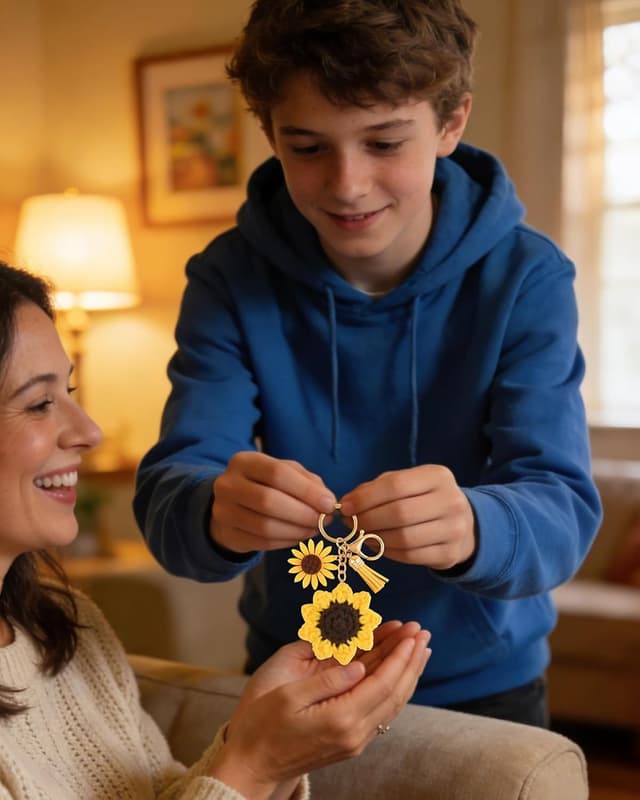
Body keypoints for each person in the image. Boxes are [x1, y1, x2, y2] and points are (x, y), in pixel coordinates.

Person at [133, 0, 602, 728]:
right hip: (295, 673)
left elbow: (562, 511)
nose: (347, 184)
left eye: (384, 142)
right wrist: (214, 512)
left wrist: (475, 525)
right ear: (270, 135)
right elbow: (171, 496)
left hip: (486, 691)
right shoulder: (228, 278)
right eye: (307, 147)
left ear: (450, 123)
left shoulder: (527, 278)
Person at [0, 260, 431, 799]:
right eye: (40, 403)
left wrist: (256, 743)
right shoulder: (232, 284)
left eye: (68, 391)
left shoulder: (68, 625)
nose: (90, 430)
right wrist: (255, 762)